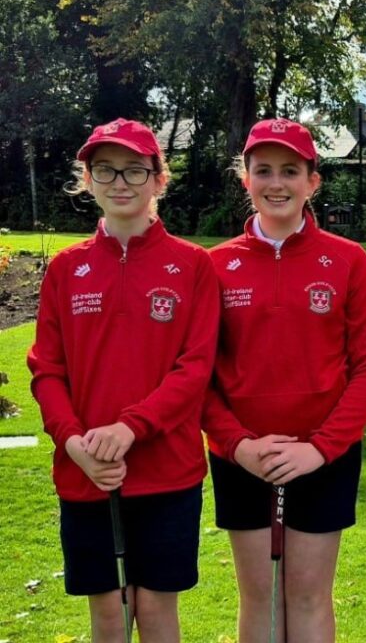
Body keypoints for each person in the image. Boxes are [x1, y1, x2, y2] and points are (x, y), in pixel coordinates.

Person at [27, 118, 219, 642]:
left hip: (166, 471)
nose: (120, 182)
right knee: (108, 616)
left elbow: (195, 367)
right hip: (86, 470)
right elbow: (47, 368)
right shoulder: (67, 268)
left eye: (135, 170)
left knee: (157, 612)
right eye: (104, 170)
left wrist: (131, 428)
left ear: (159, 179)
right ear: (86, 179)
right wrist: (73, 443)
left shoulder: (193, 265)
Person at [202, 118, 366, 642]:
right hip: (242, 459)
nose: (276, 183)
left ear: (313, 181)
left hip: (325, 456)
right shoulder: (214, 266)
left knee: (307, 597)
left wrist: (321, 449)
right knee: (260, 599)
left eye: (290, 170)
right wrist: (237, 445)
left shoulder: (349, 260)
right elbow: (199, 374)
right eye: (263, 170)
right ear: (246, 178)